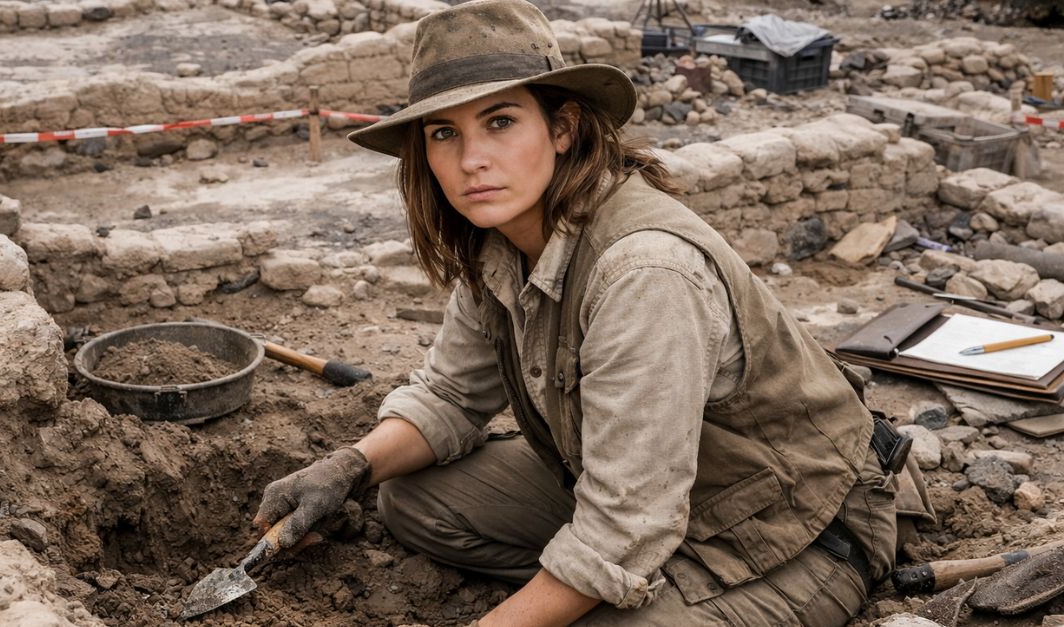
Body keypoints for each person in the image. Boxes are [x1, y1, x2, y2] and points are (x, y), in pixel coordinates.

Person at [254, 1, 906, 624]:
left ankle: (654, 587)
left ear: (562, 128)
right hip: (652, 499)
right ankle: (623, 580)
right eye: (444, 133)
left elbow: (623, 524)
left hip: (795, 524)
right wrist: (347, 467)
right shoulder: (502, 243)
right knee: (411, 498)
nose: (471, 159)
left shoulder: (644, 274)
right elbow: (452, 394)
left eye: (500, 122)